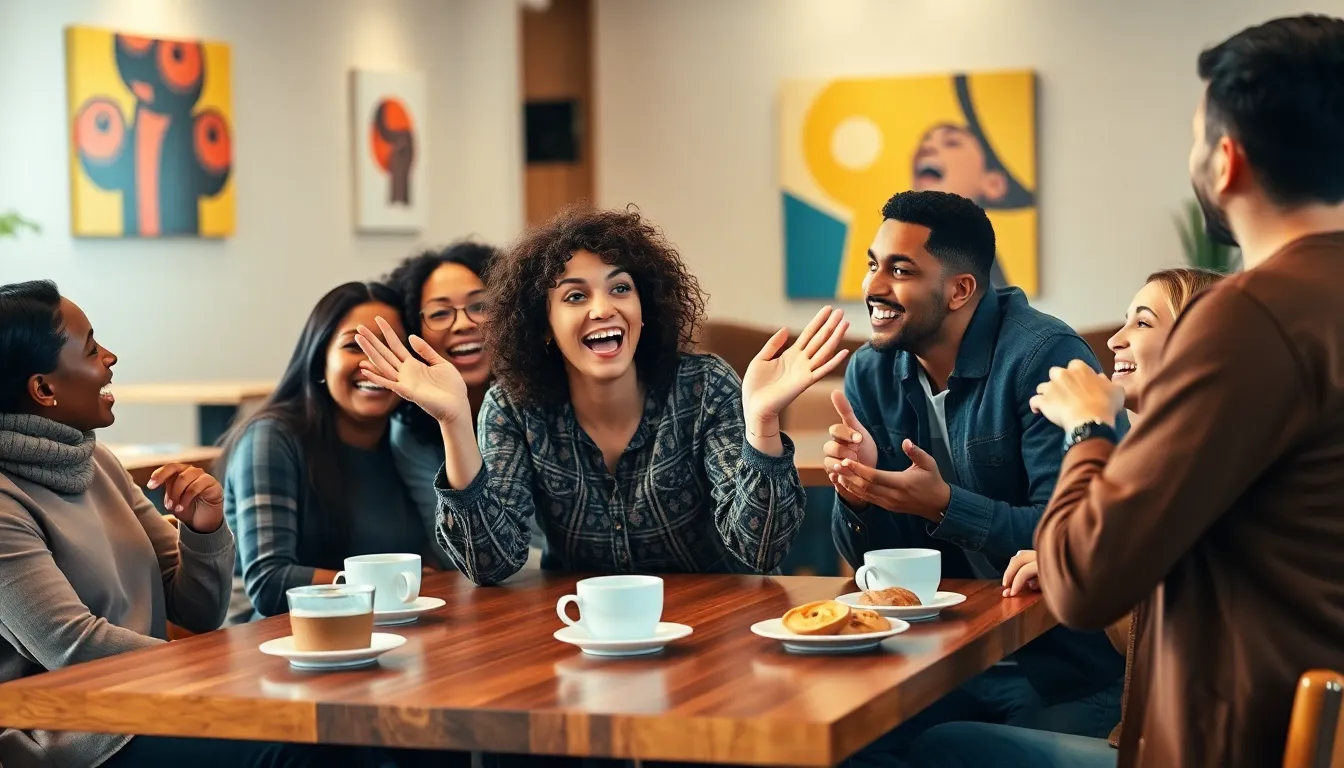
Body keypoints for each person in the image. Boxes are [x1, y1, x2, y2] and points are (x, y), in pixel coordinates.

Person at [1028, 15, 1344, 767]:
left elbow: (1083, 580)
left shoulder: (1247, 316)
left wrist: (1088, 428)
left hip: (1241, 735)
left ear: (1226, 160)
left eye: (1196, 136)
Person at [356, 205, 849, 585]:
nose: (602, 309)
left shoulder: (703, 386)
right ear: (543, 326)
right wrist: (453, 421)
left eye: (620, 289)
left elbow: (760, 551)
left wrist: (762, 421)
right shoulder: (512, 408)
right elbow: (490, 564)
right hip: (586, 637)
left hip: (719, 632)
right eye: (575, 296)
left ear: (644, 307)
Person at [824, 190, 1126, 766]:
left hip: (1057, 662)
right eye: (872, 264)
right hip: (939, 656)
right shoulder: (871, 370)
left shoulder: (1043, 356)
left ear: (961, 289)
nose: (873, 287)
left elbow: (1065, 535)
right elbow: (882, 569)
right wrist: (857, 492)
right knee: (845, 751)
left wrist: (943, 505)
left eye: (900, 269)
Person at [906, 267, 1226, 768]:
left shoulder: (1196, 469)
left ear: (1201, 342)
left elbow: (1179, 631)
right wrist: (1074, 563)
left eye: (1142, 323)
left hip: (1182, 749)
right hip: (1168, 736)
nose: (1116, 340)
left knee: (940, 747)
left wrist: (1086, 428)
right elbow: (1149, 618)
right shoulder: (1181, 456)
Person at [0, 280, 326, 767]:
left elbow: (196, 612)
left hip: (160, 702)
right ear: (44, 389)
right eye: (91, 348)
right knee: (294, 744)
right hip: (77, 739)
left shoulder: (98, 464)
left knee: (341, 728)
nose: (110, 358)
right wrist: (221, 665)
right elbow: (72, 646)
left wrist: (203, 530)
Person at [220, 282, 437, 623]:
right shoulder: (271, 439)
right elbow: (269, 581)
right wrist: (377, 585)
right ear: (319, 358)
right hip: (278, 645)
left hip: (386, 632)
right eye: (355, 345)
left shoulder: (408, 443)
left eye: (391, 347)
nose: (374, 363)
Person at [384, 241, 503, 568]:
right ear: (413, 329)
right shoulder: (411, 432)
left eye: (480, 306)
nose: (463, 323)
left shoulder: (542, 399)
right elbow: (455, 552)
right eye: (439, 313)